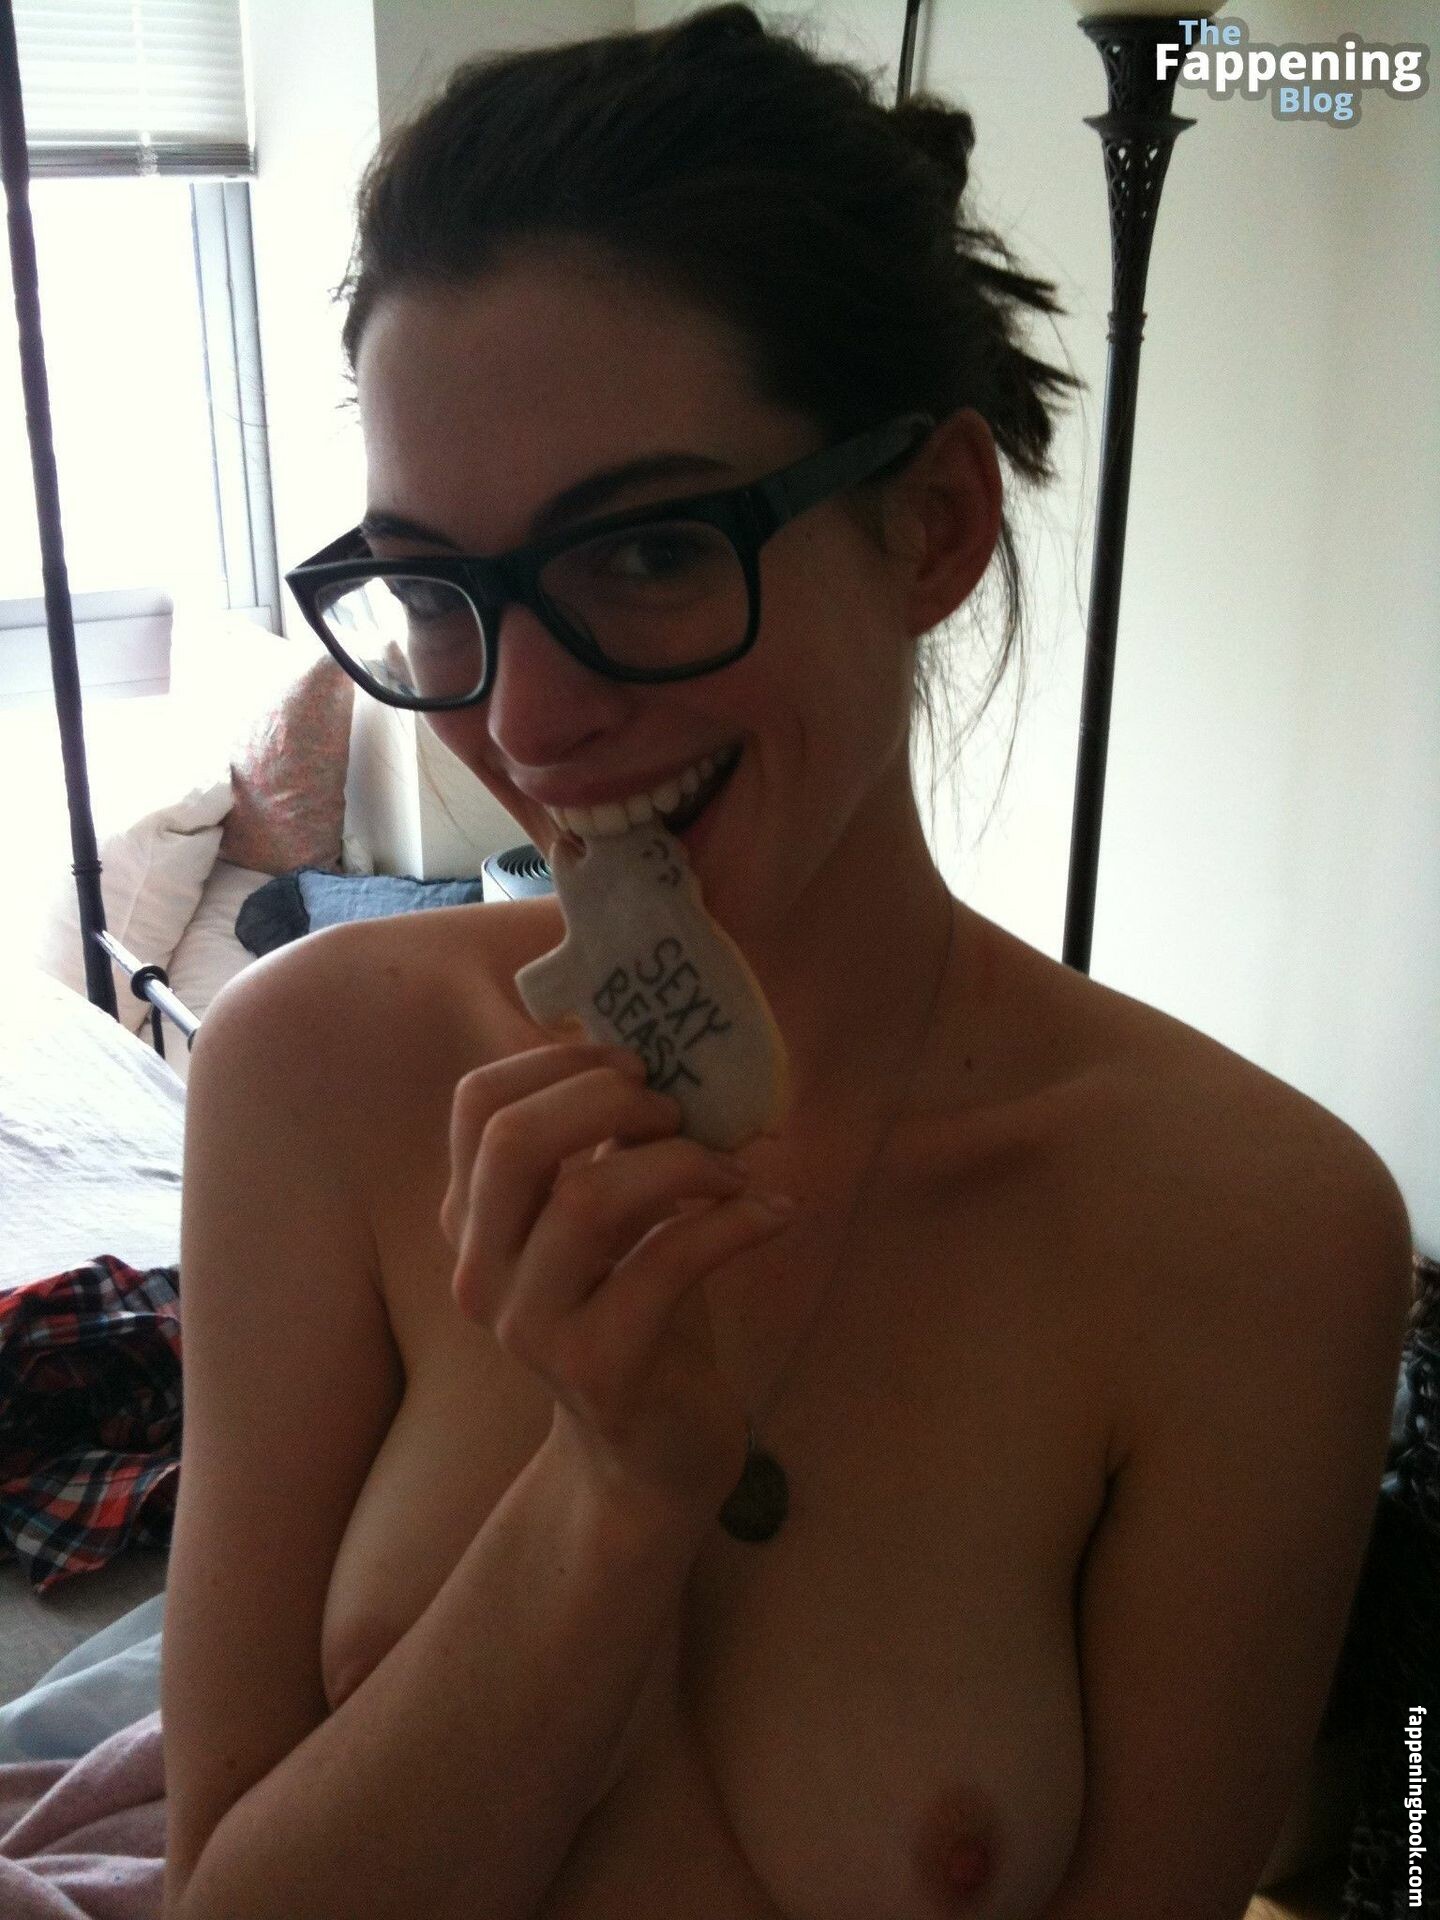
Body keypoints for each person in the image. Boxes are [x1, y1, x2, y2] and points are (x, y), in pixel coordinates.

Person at [157, 9, 1415, 1919]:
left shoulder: (1259, 1233)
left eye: (649, 552)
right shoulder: (308, 1077)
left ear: (933, 528)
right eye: (433, 588)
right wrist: (610, 1495)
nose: (529, 725)